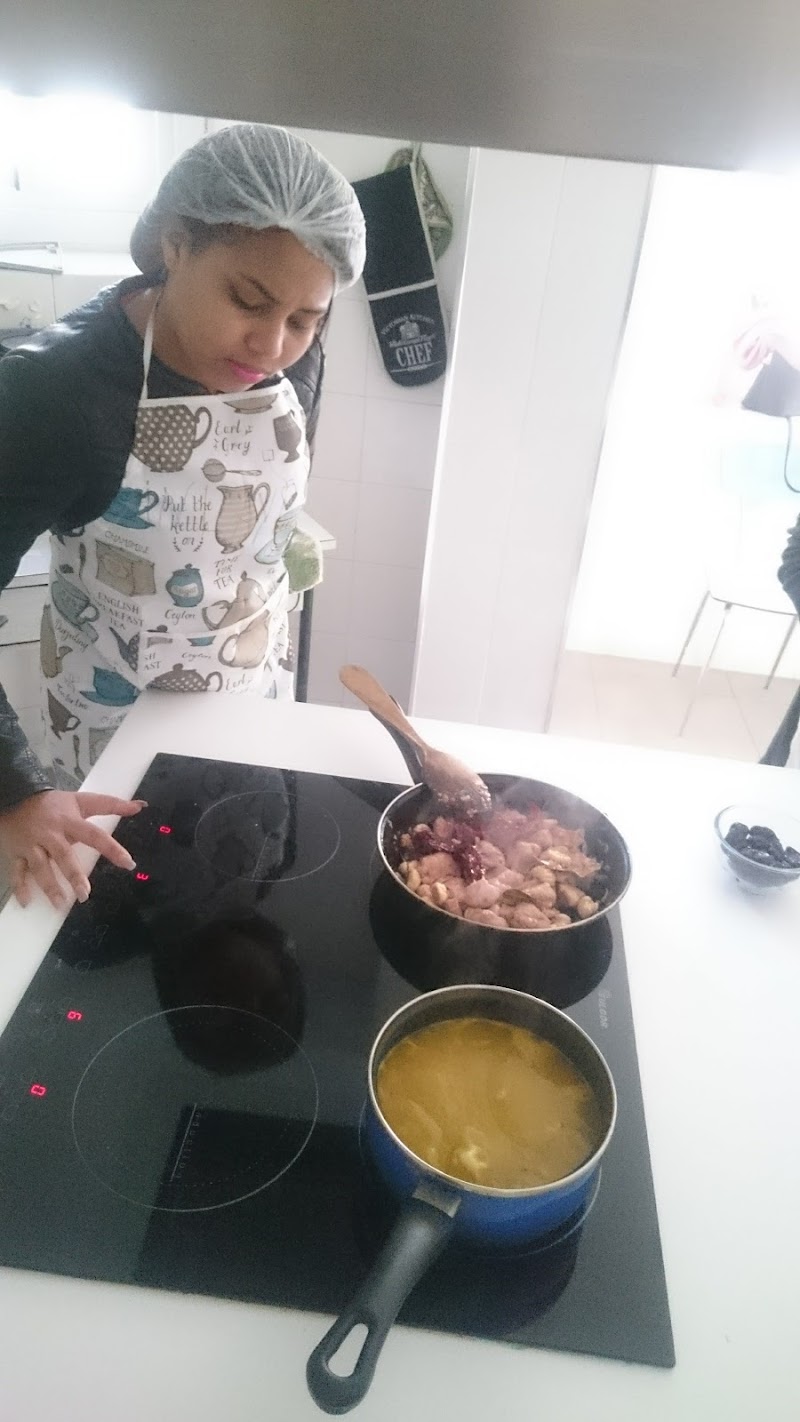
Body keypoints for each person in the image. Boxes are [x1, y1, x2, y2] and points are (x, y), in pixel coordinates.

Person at [0, 123, 365, 908]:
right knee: (114, 933)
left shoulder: (285, 361)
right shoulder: (53, 392)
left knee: (234, 911)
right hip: (109, 751)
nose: (271, 345)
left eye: (306, 320)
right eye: (248, 301)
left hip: (251, 722)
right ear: (174, 244)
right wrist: (14, 793)